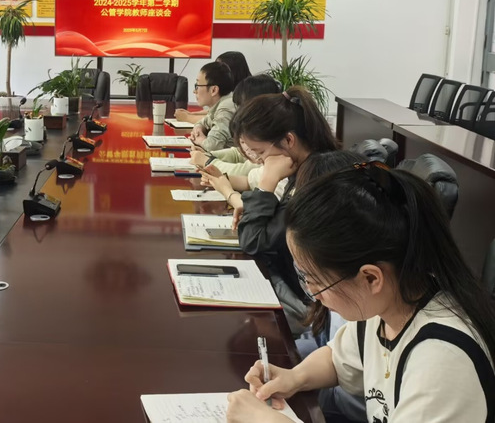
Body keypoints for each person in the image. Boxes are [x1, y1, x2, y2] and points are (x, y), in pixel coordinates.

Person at [226, 164, 495, 423]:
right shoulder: (388, 304)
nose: (313, 293)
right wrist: (295, 378)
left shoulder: (442, 360)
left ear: (370, 278)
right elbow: (338, 358)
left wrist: (265, 419)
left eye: (315, 280)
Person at [199, 86, 339, 333]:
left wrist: (266, 184)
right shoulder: (308, 167)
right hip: (290, 283)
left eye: (261, 153)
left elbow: (253, 241)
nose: (259, 161)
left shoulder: (315, 181)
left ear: (288, 140)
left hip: (305, 303)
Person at [190, 74, 281, 177]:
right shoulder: (258, 126)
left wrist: (208, 161)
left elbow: (248, 171)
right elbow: (240, 153)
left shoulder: (273, 134)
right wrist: (210, 156)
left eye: (240, 106)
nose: (237, 111)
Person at [174, 51, 252, 124]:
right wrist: (192, 114)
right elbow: (212, 113)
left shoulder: (240, 97)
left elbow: (217, 120)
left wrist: (187, 117)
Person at [187, 62, 235, 151]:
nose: (194, 91)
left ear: (214, 90)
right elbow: (202, 123)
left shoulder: (226, 108)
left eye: (197, 86)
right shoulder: (220, 103)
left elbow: (213, 146)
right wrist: (198, 129)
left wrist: (199, 139)